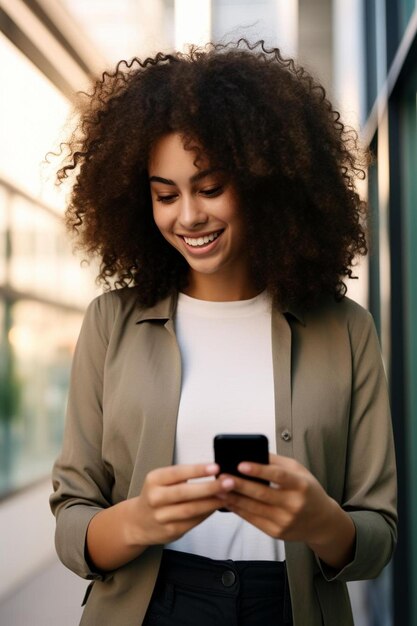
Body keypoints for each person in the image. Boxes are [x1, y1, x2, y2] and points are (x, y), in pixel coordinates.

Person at [50, 40, 397, 626]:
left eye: (210, 188)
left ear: (266, 182)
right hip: (151, 605)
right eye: (166, 195)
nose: (187, 216)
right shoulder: (111, 323)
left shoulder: (346, 330)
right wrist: (139, 520)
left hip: (290, 609)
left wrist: (319, 522)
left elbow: (378, 538)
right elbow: (72, 521)